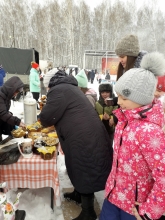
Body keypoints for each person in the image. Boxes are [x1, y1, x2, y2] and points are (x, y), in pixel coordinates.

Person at [39, 69, 113, 220]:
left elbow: (46, 118)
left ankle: (88, 212)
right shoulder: (69, 87)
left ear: (50, 83)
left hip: (84, 139)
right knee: (80, 168)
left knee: (84, 169)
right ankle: (78, 193)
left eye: (47, 86)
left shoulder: (58, 90)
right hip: (87, 135)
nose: (47, 89)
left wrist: (44, 110)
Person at [99, 52, 165, 220]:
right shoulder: (124, 120)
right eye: (118, 95)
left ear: (141, 98)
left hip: (135, 207)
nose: (119, 102)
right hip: (114, 196)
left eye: (124, 97)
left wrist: (150, 211)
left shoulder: (150, 132)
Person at [0, 76, 25, 141]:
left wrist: (12, 124)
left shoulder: (6, 97)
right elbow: (2, 113)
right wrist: (17, 121)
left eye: (17, 92)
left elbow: (5, 112)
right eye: (16, 91)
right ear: (11, 89)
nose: (16, 94)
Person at [95, 83, 118, 147]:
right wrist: (101, 116)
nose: (105, 94)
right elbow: (94, 115)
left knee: (108, 145)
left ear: (111, 92)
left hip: (110, 129)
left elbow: (118, 114)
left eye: (107, 92)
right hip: (100, 129)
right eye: (102, 92)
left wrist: (110, 117)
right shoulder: (97, 103)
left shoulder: (115, 103)